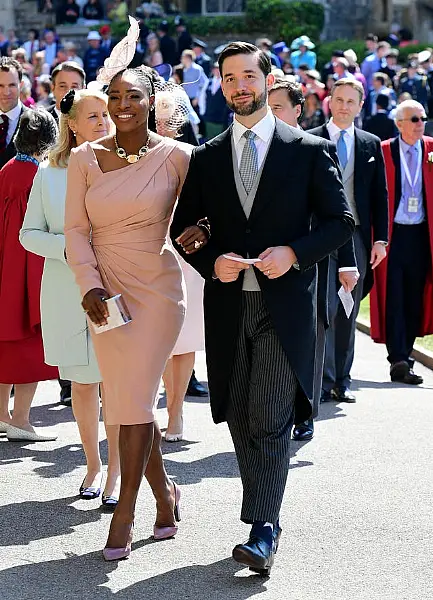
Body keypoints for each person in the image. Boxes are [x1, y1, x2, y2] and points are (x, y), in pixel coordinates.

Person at [171, 41, 354, 575]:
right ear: (222, 86)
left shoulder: (305, 149)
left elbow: (340, 223)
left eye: (249, 75)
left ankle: (264, 528)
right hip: (230, 307)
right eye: (229, 78)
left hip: (285, 306)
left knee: (272, 413)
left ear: (267, 79)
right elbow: (184, 232)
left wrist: (294, 252)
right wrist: (212, 263)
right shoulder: (205, 157)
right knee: (239, 413)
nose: (240, 85)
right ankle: (261, 520)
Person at [64, 20, 192, 560]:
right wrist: (89, 286)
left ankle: (126, 513)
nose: (120, 104)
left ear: (151, 100)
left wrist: (201, 233)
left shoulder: (180, 158)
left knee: (134, 399)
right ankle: (164, 496)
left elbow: (205, 217)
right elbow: (75, 230)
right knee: (130, 401)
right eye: (112, 95)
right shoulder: (83, 159)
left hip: (158, 289)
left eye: (131, 96)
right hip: (104, 295)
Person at [20, 88, 121, 507]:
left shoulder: (126, 166)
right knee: (83, 384)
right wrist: (67, 249)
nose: (101, 121)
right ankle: (93, 466)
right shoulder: (48, 171)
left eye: (105, 114)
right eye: (92, 116)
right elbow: (29, 234)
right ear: (72, 125)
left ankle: (118, 472)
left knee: (116, 385)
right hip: (65, 291)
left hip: (117, 289)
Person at [308, 78, 389, 404]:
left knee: (347, 308)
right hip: (320, 236)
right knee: (323, 308)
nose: (343, 106)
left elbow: (379, 196)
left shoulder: (370, 144)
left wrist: (380, 240)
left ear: (360, 104)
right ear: (330, 101)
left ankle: (343, 379)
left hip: (355, 235)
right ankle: (323, 381)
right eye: (338, 99)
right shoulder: (312, 140)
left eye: (350, 101)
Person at [0, 109, 59, 442]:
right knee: (29, 347)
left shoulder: (7, 170)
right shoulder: (39, 177)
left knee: (5, 345)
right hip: (28, 272)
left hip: (4, 271)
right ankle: (21, 419)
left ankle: (2, 414)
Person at [370, 100, 433, 384]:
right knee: (393, 295)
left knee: (415, 297)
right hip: (392, 235)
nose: (421, 123)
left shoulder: (431, 149)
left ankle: (406, 353)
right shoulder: (384, 151)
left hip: (421, 234)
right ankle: (398, 358)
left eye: (422, 118)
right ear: (399, 123)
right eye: (415, 119)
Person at [0, 58, 29, 169]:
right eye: (0, 86)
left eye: (12, 85)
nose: (6, 92)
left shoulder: (36, 123)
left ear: (21, 85)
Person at [202, 62, 230, 140]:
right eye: (215, 69)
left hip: (221, 117)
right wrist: (203, 111)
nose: (217, 71)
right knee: (209, 138)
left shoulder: (226, 83)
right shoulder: (208, 82)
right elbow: (202, 97)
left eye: (219, 69)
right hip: (209, 116)